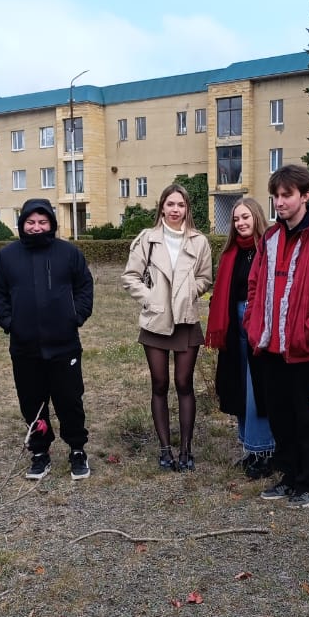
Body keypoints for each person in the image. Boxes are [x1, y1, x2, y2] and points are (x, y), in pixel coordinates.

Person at [244, 163, 309, 509]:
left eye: (287, 195)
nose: (279, 202)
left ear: (306, 195)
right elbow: (256, 285)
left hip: (308, 352)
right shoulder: (270, 238)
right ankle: (289, 475)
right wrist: (254, 326)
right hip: (271, 349)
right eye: (275, 195)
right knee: (281, 418)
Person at [0, 198, 95, 481]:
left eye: (42, 222)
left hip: (64, 344)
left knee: (70, 400)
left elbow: (84, 286)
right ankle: (39, 452)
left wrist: (76, 316)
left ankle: (77, 449)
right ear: (22, 224)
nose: (36, 227)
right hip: (25, 347)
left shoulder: (68, 254)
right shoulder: (6, 256)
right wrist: (11, 323)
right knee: (32, 402)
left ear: (52, 224)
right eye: (31, 222)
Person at [122, 183, 213, 471]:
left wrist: (187, 293)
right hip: (156, 320)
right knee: (159, 384)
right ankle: (165, 449)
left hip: (186, 319)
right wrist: (150, 298)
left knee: (185, 384)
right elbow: (130, 277)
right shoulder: (147, 239)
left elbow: (205, 278)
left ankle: (186, 449)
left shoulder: (199, 241)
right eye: (171, 204)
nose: (176, 210)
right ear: (162, 207)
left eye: (181, 205)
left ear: (187, 208)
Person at [206, 196, 275, 479]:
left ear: (257, 217)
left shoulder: (269, 250)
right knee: (240, 388)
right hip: (234, 328)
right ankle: (249, 447)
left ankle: (265, 451)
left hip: (259, 326)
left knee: (257, 389)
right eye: (236, 219)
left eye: (245, 217)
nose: (241, 223)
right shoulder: (230, 253)